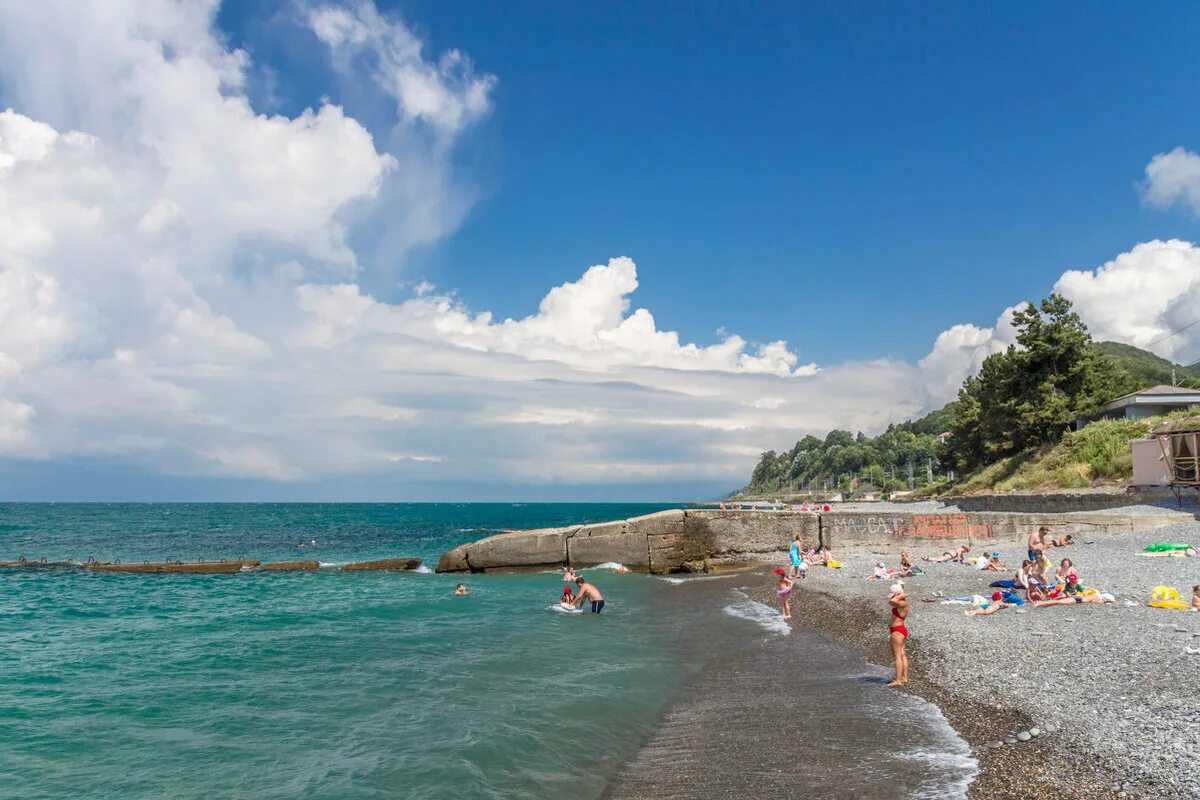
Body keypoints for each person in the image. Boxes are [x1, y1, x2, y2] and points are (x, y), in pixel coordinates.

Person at [887, 583, 909, 687]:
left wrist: (900, 594)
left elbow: (892, 601)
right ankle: (904, 677)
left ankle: (898, 680)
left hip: (897, 631)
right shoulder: (902, 602)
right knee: (902, 654)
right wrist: (901, 594)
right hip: (899, 630)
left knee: (897, 656)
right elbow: (891, 602)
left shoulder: (902, 603)